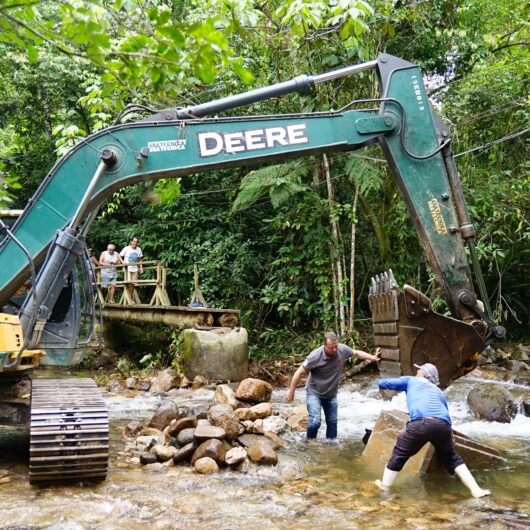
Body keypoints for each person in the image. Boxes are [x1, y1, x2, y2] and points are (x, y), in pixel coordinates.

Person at [375, 362, 491, 498]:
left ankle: (385, 488)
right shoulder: (439, 392)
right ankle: (476, 490)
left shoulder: (412, 381)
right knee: (452, 458)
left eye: (419, 370)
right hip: (443, 425)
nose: (417, 372)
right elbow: (445, 413)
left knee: (399, 454)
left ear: (424, 374)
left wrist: (379, 382)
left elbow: (385, 383)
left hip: (420, 424)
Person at [285, 332, 381, 441]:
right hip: (314, 393)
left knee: (332, 423)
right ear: (324, 345)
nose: (335, 350)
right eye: (331, 348)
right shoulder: (315, 356)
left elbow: (356, 353)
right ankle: (310, 441)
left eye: (336, 346)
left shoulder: (342, 349)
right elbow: (299, 373)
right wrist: (291, 392)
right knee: (315, 422)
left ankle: (330, 446)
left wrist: (373, 357)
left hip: (331, 394)